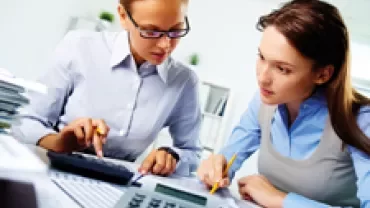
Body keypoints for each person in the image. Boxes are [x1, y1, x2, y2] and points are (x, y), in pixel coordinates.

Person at [197, 0, 370, 207]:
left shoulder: (362, 120)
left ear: (323, 74)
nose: (262, 77)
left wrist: (279, 200)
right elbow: (230, 155)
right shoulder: (265, 101)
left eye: (282, 69)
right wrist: (216, 167)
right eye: (261, 57)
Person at [13, 0, 202, 177]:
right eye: (151, 31)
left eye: (176, 31)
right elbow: (25, 120)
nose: (165, 45)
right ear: (122, 16)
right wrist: (57, 141)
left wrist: (173, 156)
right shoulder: (78, 47)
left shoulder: (184, 82)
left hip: (122, 183)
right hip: (51, 170)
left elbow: (192, 152)